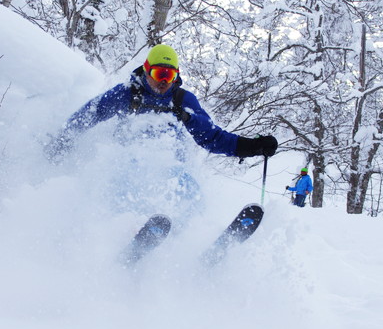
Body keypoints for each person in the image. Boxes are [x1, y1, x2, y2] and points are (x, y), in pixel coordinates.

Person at [46, 44, 278, 210]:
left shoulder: (182, 100)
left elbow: (212, 137)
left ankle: (189, 238)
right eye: (159, 73)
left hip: (170, 166)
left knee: (188, 190)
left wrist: (253, 146)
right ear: (146, 70)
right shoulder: (127, 93)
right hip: (127, 163)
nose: (163, 81)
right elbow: (90, 114)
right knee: (124, 181)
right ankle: (125, 231)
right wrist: (63, 140)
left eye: (170, 75)